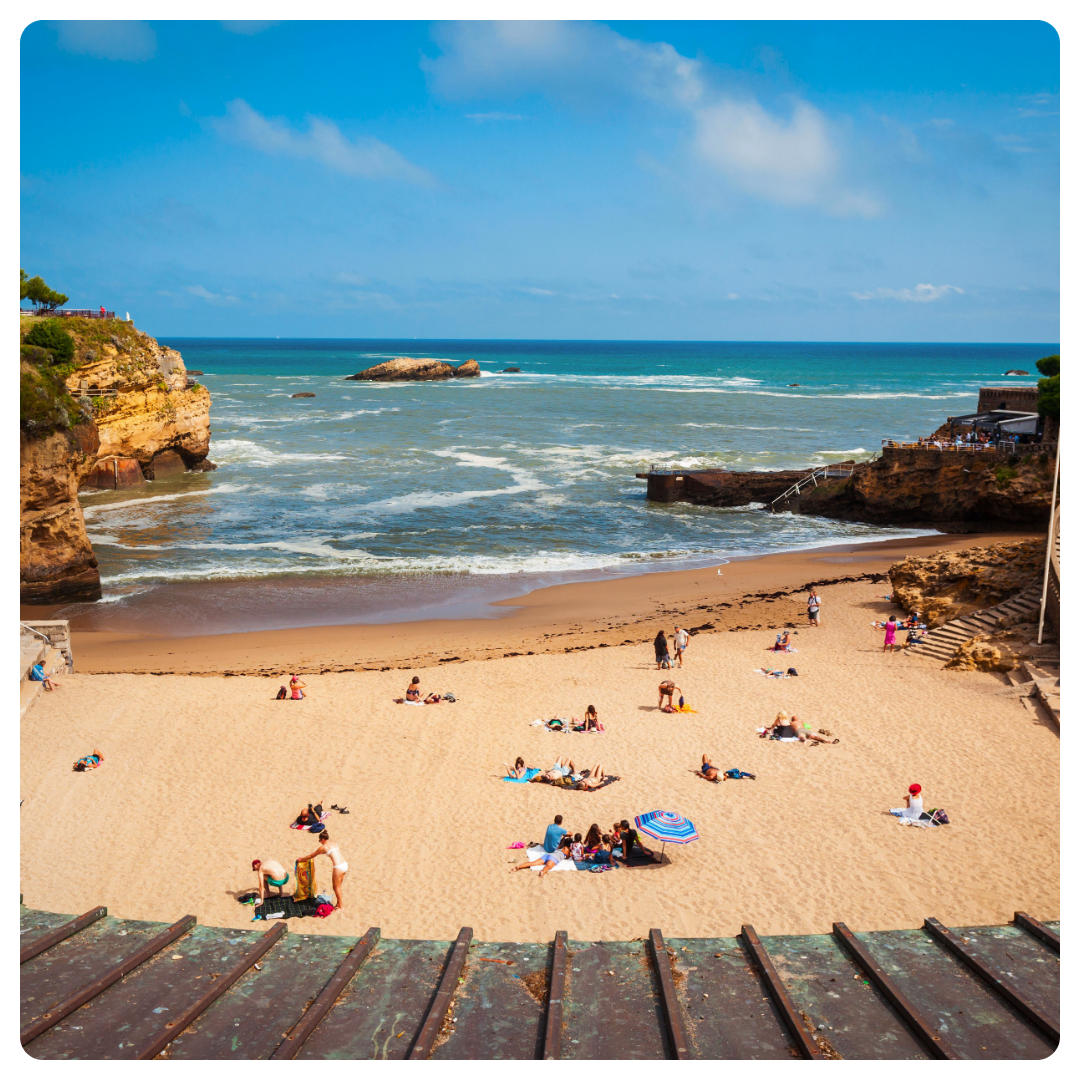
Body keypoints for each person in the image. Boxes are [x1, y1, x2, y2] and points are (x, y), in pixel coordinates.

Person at [300, 830, 349, 909]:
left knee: (336, 887)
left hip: (338, 867)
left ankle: (340, 906)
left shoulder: (323, 847)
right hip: (345, 865)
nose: (319, 842)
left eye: (320, 840)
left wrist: (301, 859)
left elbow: (311, 856)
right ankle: (338, 903)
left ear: (323, 839)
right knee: (339, 886)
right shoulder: (334, 842)